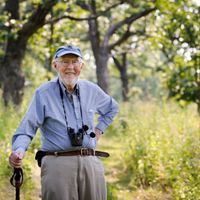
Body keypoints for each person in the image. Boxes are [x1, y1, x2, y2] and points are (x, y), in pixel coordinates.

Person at [9, 44, 118, 200]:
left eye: (74, 62)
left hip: (90, 163)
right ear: (55, 65)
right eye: (65, 61)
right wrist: (19, 149)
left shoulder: (92, 89)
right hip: (57, 164)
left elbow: (112, 108)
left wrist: (98, 131)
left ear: (82, 66)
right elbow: (28, 127)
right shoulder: (43, 93)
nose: (70, 67)